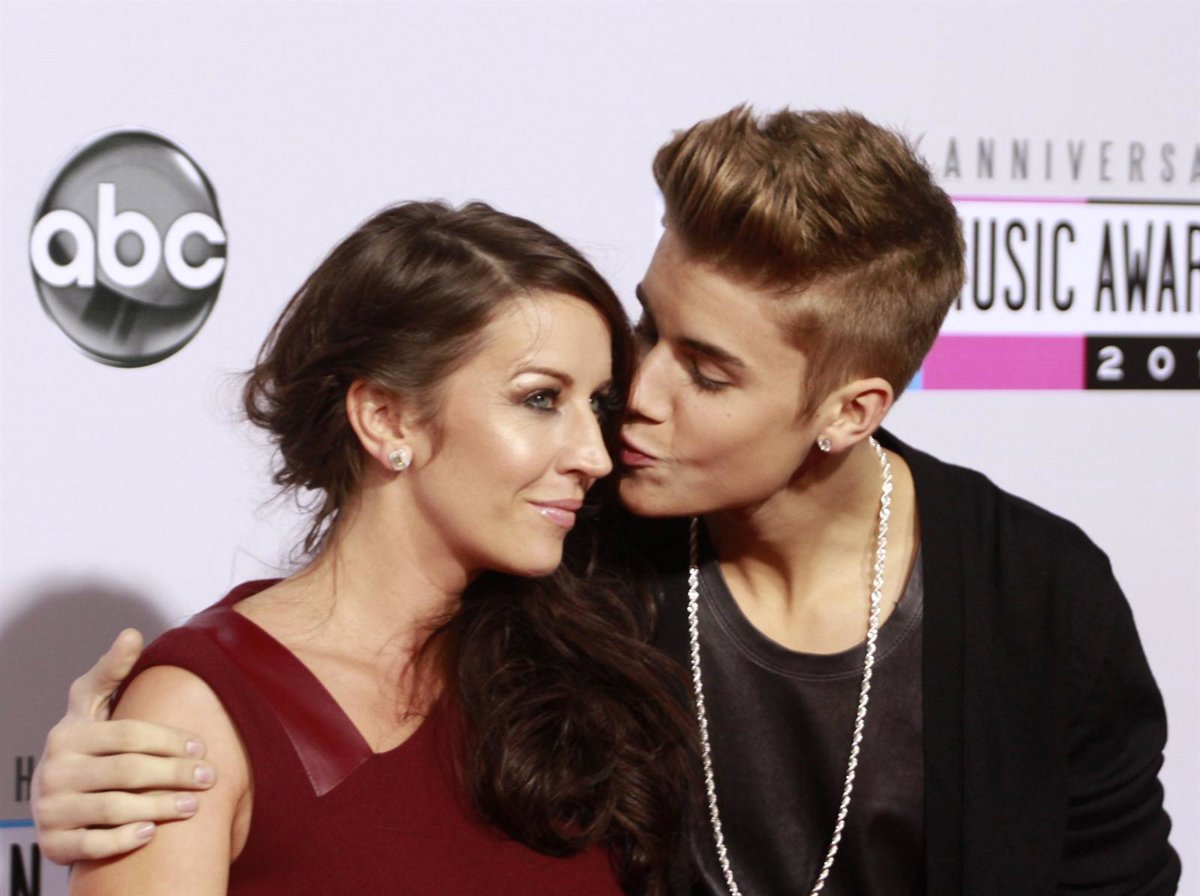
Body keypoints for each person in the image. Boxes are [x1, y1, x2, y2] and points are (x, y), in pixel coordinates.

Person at [33, 108, 1180, 895]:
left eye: (709, 371)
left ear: (849, 409)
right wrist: (114, 757)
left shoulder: (1040, 598)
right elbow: (322, 675)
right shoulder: (563, 549)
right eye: (649, 325)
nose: (637, 397)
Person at [46, 200, 693, 895]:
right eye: (540, 399)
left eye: (597, 403)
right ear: (386, 418)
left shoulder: (575, 671)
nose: (594, 455)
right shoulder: (199, 712)